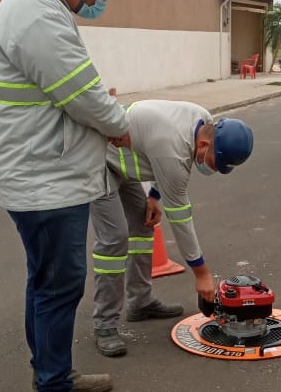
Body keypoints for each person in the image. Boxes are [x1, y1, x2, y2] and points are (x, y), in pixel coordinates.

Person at [0, 0, 136, 392]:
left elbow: (68, 90)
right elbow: (83, 94)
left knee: (48, 281)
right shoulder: (37, 13)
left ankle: (56, 374)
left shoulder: (38, 8)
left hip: (45, 169)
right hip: (39, 177)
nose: (102, 3)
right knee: (58, 283)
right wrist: (121, 127)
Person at [90, 100, 254, 357]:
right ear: (203, 145)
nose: (212, 169)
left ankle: (140, 302)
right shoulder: (174, 149)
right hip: (100, 162)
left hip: (128, 166)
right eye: (214, 163)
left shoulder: (204, 119)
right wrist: (201, 273)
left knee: (143, 229)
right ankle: (105, 324)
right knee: (114, 238)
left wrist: (154, 196)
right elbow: (180, 217)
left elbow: (160, 159)